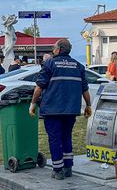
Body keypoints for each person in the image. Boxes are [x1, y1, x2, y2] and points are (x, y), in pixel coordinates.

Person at [30, 39, 91, 180]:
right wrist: (88, 105)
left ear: (58, 50)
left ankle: (58, 170)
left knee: (55, 139)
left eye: (54, 47)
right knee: (66, 136)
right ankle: (68, 167)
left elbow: (39, 87)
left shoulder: (49, 64)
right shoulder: (78, 66)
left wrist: (33, 104)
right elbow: (85, 89)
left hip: (52, 109)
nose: (53, 50)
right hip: (71, 110)